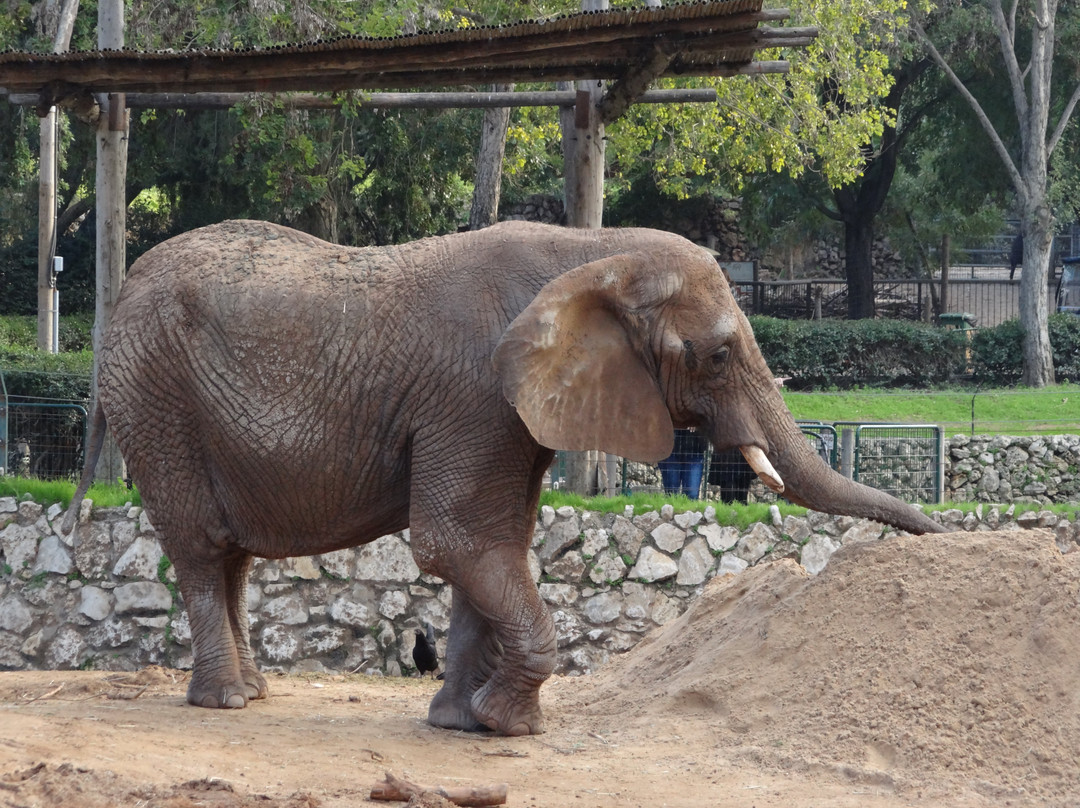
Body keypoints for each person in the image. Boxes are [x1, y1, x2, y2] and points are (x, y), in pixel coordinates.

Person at [658, 428, 708, 499]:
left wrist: (697, 422)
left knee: (692, 495)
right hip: (671, 449)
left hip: (695, 449)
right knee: (671, 493)